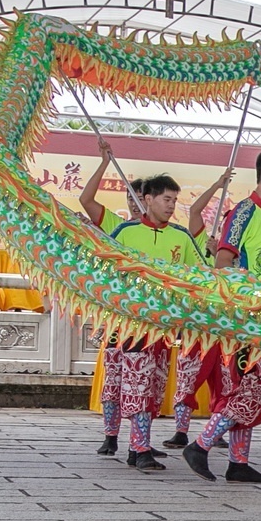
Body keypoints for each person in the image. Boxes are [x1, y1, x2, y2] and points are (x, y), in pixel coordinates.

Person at [183, 148, 261, 484]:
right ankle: (202, 443)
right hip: (246, 321)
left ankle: (238, 463)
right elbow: (223, 262)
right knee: (252, 388)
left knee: (256, 387)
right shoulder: (243, 211)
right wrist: (246, 302)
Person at [108, 174, 204, 472]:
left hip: (166, 327)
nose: (172, 206)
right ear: (147, 200)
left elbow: (200, 275)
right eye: (167, 199)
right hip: (133, 325)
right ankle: (139, 448)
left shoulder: (181, 237)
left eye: (175, 200)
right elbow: (109, 274)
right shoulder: (124, 233)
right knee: (136, 383)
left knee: (154, 387)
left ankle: (138, 446)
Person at [161, 168, 238, 449]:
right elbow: (194, 210)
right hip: (198, 324)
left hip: (228, 327)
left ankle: (216, 430)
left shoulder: (238, 255)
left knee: (226, 381)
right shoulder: (196, 242)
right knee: (188, 375)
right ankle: (181, 430)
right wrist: (217, 185)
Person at [81, 141, 146, 457]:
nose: (135, 205)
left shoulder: (168, 233)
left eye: (141, 199)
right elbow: (85, 200)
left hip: (148, 320)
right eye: (131, 199)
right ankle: (110, 435)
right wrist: (105, 162)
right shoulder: (113, 224)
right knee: (114, 378)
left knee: (145, 384)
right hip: (117, 318)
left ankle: (140, 443)